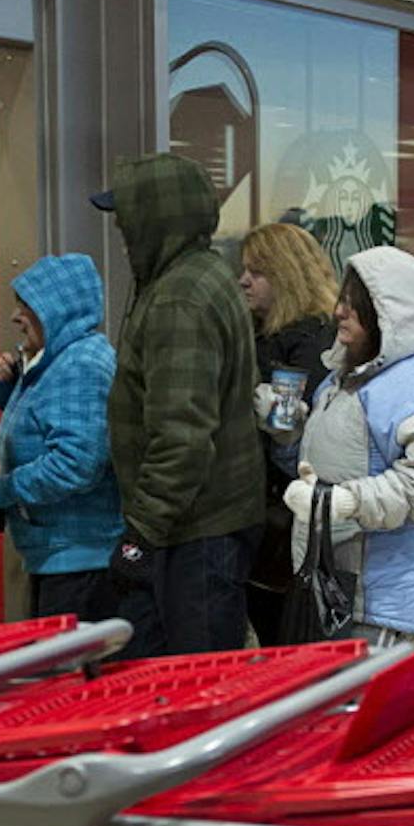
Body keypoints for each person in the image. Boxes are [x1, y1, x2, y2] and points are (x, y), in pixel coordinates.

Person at [96, 152, 265, 656]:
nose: (121, 232)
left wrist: (141, 533)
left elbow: (183, 435)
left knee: (199, 689)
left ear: (152, 218)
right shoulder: (203, 275)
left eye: (126, 217)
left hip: (194, 533)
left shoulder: (179, 298)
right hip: (206, 524)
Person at [268, 246, 414, 644]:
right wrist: (289, 433)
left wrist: (348, 501)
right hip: (335, 589)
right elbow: (329, 460)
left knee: (367, 706)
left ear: (387, 313)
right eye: (341, 300)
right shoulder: (345, 376)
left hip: (378, 597)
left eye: (354, 303)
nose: (339, 311)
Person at [0, 254, 123, 622]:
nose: (16, 316)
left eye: (27, 306)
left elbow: (76, 464)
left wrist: (1, 490)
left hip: (80, 558)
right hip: (60, 553)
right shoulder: (57, 359)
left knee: (72, 673)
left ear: (57, 309)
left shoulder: (82, 364)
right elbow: (49, 425)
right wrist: (10, 391)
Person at [237, 222, 339, 645]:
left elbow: (290, 436)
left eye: (256, 271)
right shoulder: (254, 334)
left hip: (289, 519)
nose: (243, 280)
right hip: (260, 515)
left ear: (286, 274)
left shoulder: (311, 341)